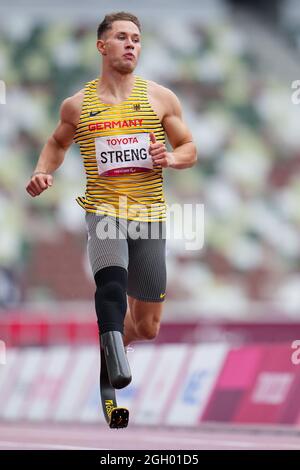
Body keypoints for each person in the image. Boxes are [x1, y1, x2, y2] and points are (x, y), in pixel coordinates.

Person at [26, 11, 197, 394]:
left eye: (136, 38)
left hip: (150, 217)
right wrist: (42, 170)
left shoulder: (160, 98)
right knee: (111, 286)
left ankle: (115, 345)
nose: (131, 43)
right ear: (102, 46)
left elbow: (189, 148)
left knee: (149, 326)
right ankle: (112, 339)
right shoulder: (77, 104)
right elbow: (57, 143)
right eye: (122, 37)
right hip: (104, 212)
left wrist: (170, 158)